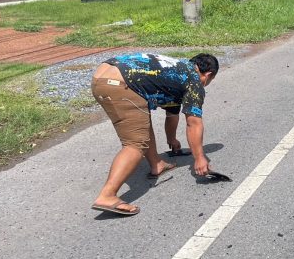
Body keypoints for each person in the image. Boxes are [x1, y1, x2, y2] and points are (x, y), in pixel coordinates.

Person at [90, 52, 219, 216]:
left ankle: (156, 164)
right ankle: (107, 196)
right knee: (135, 144)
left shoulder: (178, 70)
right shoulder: (194, 82)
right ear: (208, 75)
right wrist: (199, 158)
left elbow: (172, 114)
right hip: (120, 83)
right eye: (210, 81)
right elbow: (193, 122)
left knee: (141, 121)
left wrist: (171, 139)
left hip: (103, 75)